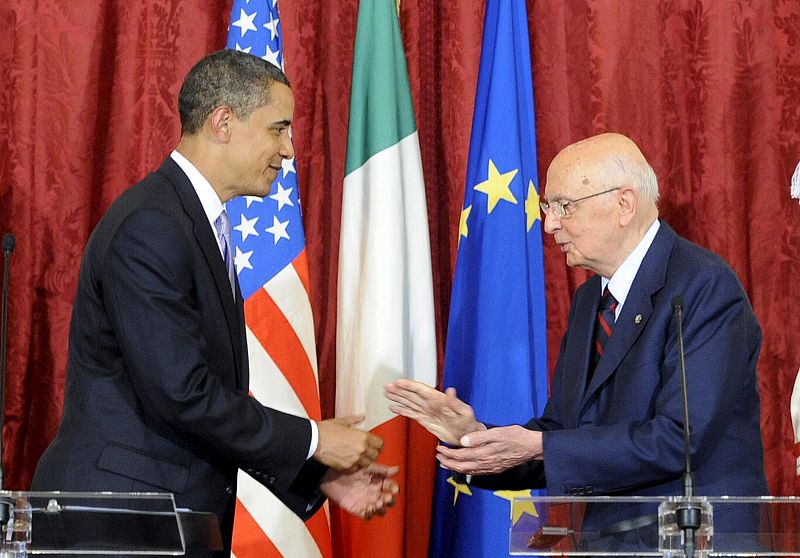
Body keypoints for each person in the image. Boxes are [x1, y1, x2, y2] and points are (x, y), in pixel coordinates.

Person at [31, 49, 397, 557]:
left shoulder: (195, 223)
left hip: (160, 519)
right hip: (119, 521)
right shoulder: (152, 226)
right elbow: (181, 392)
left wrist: (314, 477)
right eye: (278, 128)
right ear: (223, 122)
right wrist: (312, 441)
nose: (290, 149)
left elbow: (201, 398)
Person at [386, 132, 767, 547]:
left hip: (693, 543)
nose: (549, 224)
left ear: (624, 204)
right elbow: (564, 430)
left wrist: (539, 445)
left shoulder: (702, 287)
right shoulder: (591, 299)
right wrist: (476, 437)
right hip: (611, 545)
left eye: (564, 206)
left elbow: (680, 438)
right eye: (549, 208)